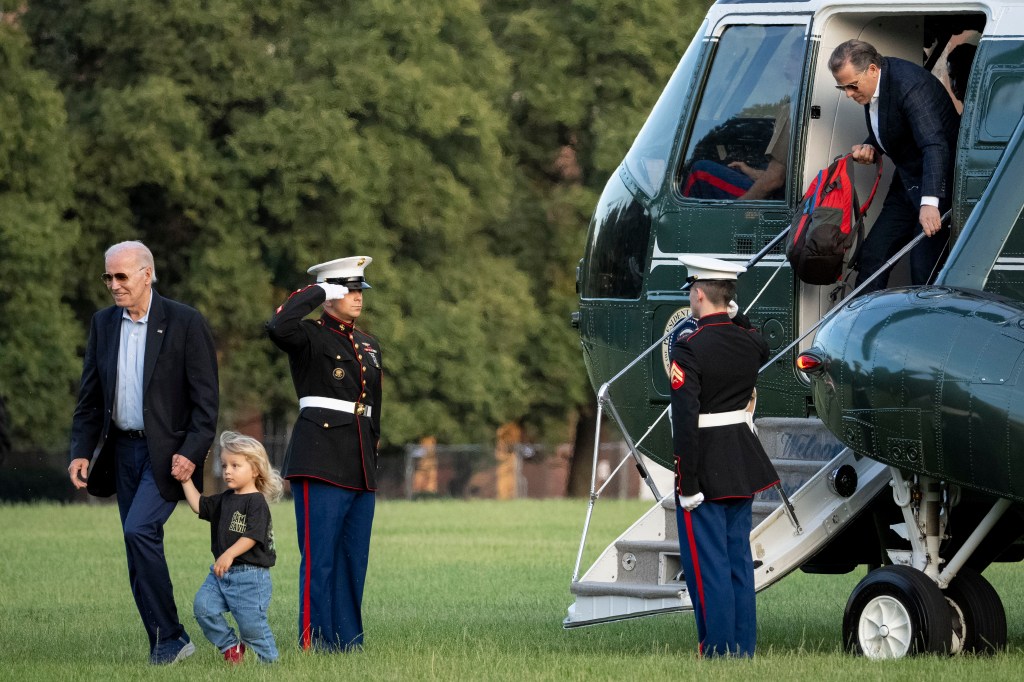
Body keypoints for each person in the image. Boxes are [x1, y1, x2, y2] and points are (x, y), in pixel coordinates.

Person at [67, 240, 219, 664]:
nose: (114, 285)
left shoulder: (185, 323)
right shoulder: (102, 324)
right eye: (108, 277)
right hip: (122, 455)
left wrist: (192, 451)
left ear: (147, 274)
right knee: (136, 547)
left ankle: (171, 638)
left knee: (139, 532)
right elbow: (90, 399)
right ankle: (164, 642)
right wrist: (81, 449)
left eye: (121, 276)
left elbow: (207, 404)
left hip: (168, 458)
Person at [266, 256, 383, 652]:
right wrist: (317, 292)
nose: (356, 297)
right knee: (321, 559)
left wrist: (373, 458)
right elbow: (277, 326)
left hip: (359, 460)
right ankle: (315, 641)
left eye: (358, 290)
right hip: (319, 458)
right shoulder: (309, 336)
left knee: (353, 559)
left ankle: (349, 641)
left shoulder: (369, 344)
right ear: (331, 293)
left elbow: (373, 410)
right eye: (347, 289)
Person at [670, 255, 779, 658]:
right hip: (742, 459)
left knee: (707, 566)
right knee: (737, 562)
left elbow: (685, 419)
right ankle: (743, 649)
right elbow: (757, 338)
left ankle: (716, 649)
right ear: (727, 297)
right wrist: (737, 311)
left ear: (698, 293)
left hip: (706, 466)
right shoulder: (749, 341)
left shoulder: (689, 347)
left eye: (692, 292)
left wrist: (687, 482)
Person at [829, 39, 961, 294]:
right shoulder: (872, 86)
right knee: (873, 255)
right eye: (842, 87)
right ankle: (861, 327)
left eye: (852, 86)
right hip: (908, 179)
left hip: (938, 182)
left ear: (872, 69)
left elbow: (935, 146)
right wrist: (871, 146)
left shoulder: (910, 85)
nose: (848, 94)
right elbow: (893, 127)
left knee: (925, 268)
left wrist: (930, 204)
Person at [183, 431, 283, 665]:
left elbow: (252, 536)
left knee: (252, 629)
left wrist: (229, 553)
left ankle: (270, 663)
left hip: (251, 578)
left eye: (235, 465)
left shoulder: (256, 501)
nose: (227, 470)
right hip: (221, 574)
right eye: (224, 465)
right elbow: (199, 505)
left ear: (255, 469)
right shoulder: (224, 498)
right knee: (203, 608)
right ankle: (231, 647)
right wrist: (185, 480)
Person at [682, 100, 791, 201]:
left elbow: (774, 180)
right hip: (784, 190)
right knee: (737, 170)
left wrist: (740, 205)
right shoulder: (796, 99)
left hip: (779, 197)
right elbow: (781, 174)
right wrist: (751, 172)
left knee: (699, 172)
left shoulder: (794, 106)